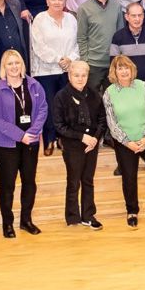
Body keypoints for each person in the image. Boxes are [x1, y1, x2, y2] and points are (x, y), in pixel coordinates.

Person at [103, 54, 145, 228]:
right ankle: (132, 210)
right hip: (124, 142)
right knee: (129, 178)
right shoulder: (109, 93)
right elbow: (112, 122)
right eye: (120, 68)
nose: (124, 71)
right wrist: (127, 142)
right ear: (115, 72)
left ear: (131, 69)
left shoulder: (144, 87)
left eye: (126, 67)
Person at [0, 49, 47, 238]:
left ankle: (26, 220)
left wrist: (32, 133)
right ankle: (7, 224)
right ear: (4, 67)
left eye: (17, 63)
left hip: (30, 142)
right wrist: (20, 135)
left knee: (29, 182)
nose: (14, 67)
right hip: (6, 145)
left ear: (22, 65)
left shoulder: (34, 85)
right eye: (10, 64)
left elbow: (43, 110)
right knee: (8, 185)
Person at [51, 60, 105, 230]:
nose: (80, 79)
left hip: (92, 144)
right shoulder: (61, 97)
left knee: (88, 180)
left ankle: (88, 215)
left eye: (83, 75)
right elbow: (59, 126)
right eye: (76, 75)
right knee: (74, 181)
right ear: (69, 75)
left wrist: (95, 139)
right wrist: (82, 137)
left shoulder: (95, 95)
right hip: (73, 144)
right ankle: (72, 216)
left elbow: (102, 120)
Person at [29, 0, 78, 154]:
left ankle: (61, 138)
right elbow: (38, 46)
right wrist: (59, 59)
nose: (57, 2)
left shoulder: (71, 19)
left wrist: (70, 59)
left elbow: (77, 43)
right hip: (46, 71)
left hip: (67, 70)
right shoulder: (40, 20)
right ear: (47, 1)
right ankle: (49, 138)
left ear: (65, 2)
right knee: (49, 106)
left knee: (65, 106)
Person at [75, 0, 123, 93]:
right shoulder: (84, 9)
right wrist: (85, 61)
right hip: (93, 64)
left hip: (112, 62)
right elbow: (81, 37)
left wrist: (119, 59)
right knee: (93, 100)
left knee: (112, 99)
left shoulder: (117, 6)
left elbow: (121, 34)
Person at [110, 2, 145, 106]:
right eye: (133, 16)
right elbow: (114, 64)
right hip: (126, 87)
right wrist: (126, 85)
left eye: (140, 15)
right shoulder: (118, 37)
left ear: (143, 16)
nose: (137, 19)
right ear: (127, 17)